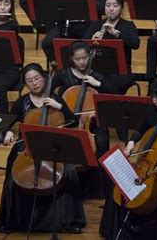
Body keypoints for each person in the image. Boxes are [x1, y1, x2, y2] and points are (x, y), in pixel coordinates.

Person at [0, 63, 86, 234]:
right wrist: (6, 132)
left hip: (53, 147)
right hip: (26, 148)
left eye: (37, 78)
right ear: (26, 84)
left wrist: (59, 107)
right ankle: (12, 220)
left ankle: (68, 221)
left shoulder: (55, 99)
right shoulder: (22, 102)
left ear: (44, 78)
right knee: (12, 179)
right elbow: (6, 123)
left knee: (70, 171)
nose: (34, 83)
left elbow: (73, 122)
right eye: (29, 81)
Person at [99, 76, 157, 240]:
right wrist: (130, 144)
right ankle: (116, 230)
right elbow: (140, 128)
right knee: (118, 183)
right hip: (146, 161)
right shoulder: (152, 109)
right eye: (153, 96)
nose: (154, 100)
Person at [51, 40, 117, 198]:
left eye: (85, 58)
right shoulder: (63, 75)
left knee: (100, 141)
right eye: (78, 59)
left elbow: (115, 95)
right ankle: (67, 186)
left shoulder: (96, 75)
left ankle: (97, 189)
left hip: (92, 124)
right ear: (71, 59)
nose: (82, 62)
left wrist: (98, 84)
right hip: (69, 122)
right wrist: (58, 105)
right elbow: (47, 92)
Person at [84, 0, 140, 94]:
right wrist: (92, 40)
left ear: (121, 8)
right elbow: (82, 46)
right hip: (98, 67)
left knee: (113, 84)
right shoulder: (96, 24)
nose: (111, 9)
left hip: (120, 70)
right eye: (108, 5)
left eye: (115, 6)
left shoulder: (128, 25)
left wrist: (116, 34)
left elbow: (135, 44)